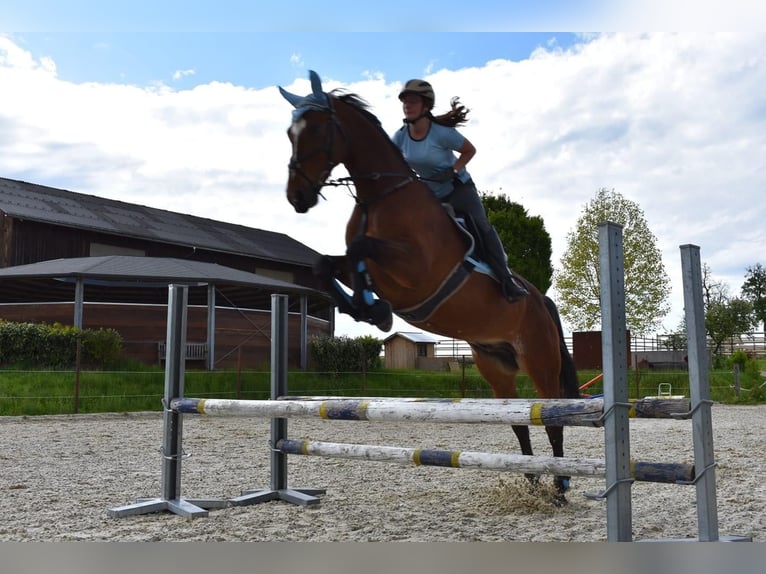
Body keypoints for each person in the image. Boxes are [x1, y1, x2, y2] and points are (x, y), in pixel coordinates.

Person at [391, 78, 529, 302]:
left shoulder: (441, 133)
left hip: (458, 190)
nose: (407, 105)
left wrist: (453, 170)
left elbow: (469, 150)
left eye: (413, 101)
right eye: (405, 101)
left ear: (425, 106)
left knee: (482, 226)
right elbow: (391, 162)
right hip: (430, 195)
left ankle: (506, 280)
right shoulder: (400, 137)